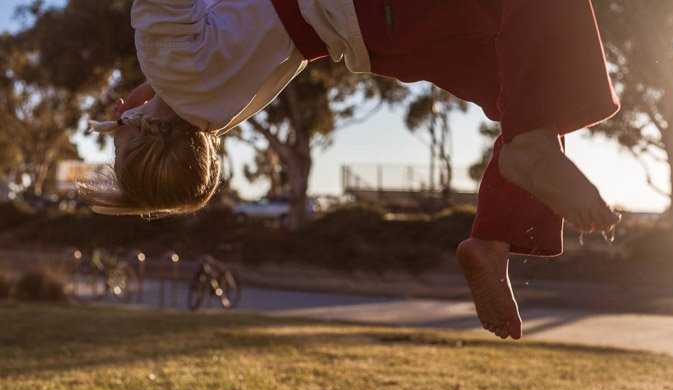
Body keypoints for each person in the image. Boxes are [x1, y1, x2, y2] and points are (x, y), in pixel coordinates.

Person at [84, 0, 621, 339]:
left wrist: (145, 126)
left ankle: (494, 237)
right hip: (371, 10)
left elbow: (188, 84)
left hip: (378, 36)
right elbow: (168, 38)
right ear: (131, 124)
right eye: (118, 129)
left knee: (530, 91)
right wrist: (143, 99)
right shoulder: (168, 57)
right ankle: (523, 162)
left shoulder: (215, 111)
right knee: (537, 74)